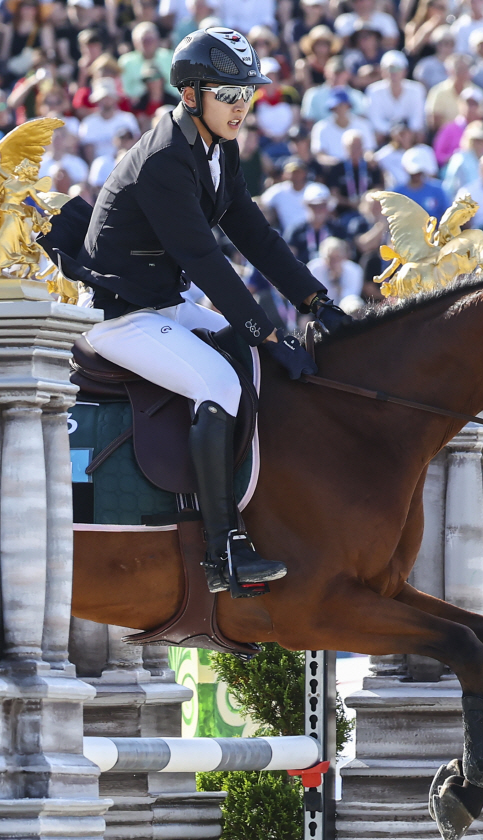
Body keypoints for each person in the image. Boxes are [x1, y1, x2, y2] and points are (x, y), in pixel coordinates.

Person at [48, 29, 351, 597]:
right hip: (120, 316)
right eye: (229, 93)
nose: (242, 106)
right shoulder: (165, 159)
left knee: (247, 364)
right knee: (219, 379)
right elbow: (207, 261)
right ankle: (223, 551)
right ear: (192, 95)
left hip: (165, 301)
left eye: (247, 94)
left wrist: (315, 300)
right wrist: (267, 334)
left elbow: (254, 236)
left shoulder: (216, 145)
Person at [365, 50, 426, 142]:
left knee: (420, 135)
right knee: (377, 136)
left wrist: (405, 133)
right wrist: (392, 131)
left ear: (405, 71)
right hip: (386, 137)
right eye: (389, 69)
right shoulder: (373, 91)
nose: (393, 73)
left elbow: (417, 120)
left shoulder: (417, 89)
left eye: (397, 69)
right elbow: (375, 120)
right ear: (382, 72)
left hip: (410, 136)